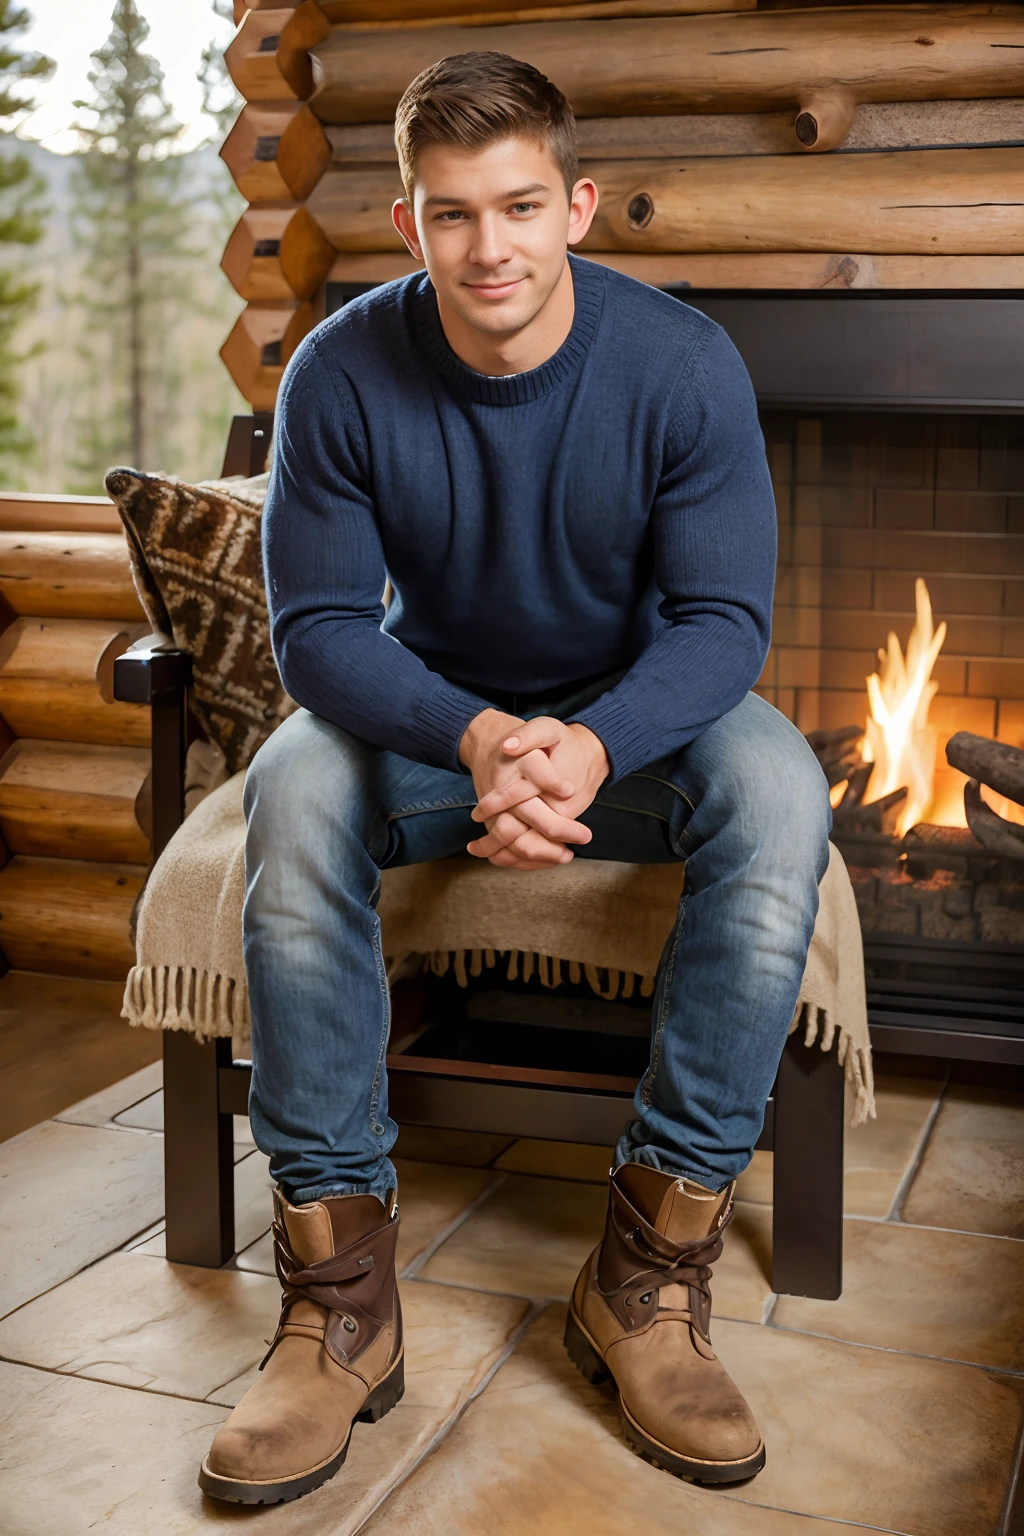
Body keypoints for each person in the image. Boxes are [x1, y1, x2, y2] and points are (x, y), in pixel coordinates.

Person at [199, 49, 831, 1507]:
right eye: (454, 214)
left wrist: (589, 744)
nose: (492, 247)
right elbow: (318, 636)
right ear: (411, 224)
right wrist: (483, 740)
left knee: (781, 789)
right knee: (292, 789)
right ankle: (340, 1300)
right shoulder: (346, 371)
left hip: (642, 732)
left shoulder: (681, 366)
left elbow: (725, 626)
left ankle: (648, 1277)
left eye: (521, 206)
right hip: (434, 725)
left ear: (580, 208)